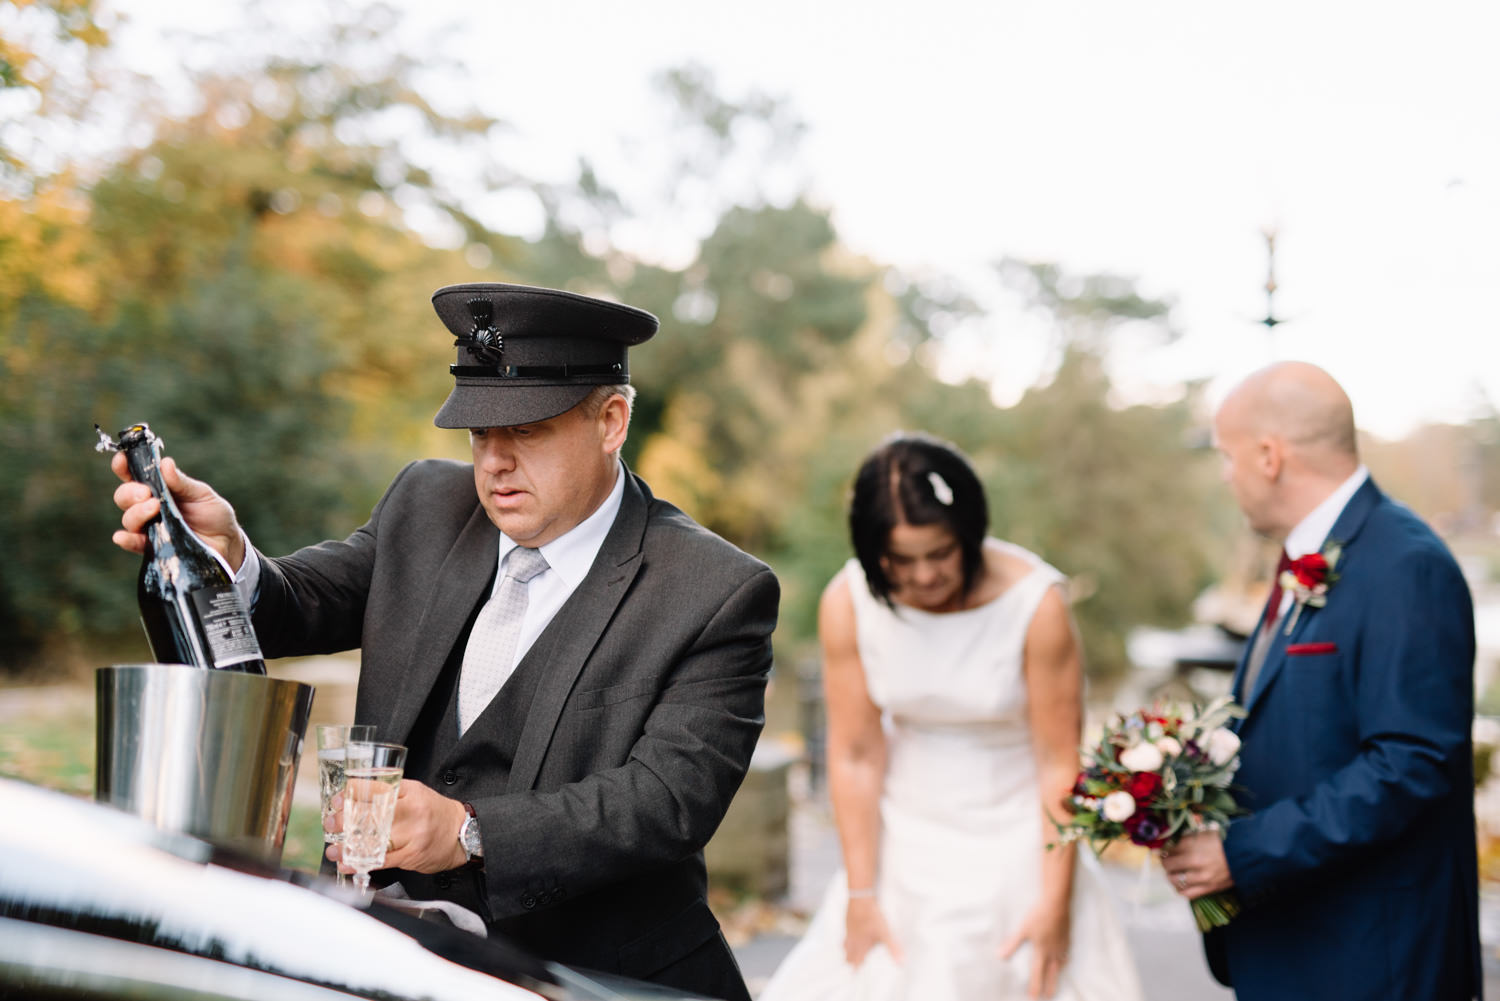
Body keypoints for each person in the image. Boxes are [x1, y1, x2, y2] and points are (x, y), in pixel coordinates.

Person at [111, 282, 780, 1001]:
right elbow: (297, 604)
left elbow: (664, 802)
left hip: (596, 978)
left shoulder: (715, 589)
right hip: (392, 961)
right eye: (479, 431)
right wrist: (227, 554)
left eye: (525, 430)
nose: (493, 462)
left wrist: (468, 829)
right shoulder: (426, 502)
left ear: (611, 420)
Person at [759, 433, 1141, 1001]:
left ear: (969, 533)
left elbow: (1058, 760)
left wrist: (1054, 902)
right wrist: (861, 895)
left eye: (940, 553)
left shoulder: (1037, 606)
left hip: (1020, 839)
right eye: (900, 561)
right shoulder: (848, 601)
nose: (923, 577)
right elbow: (856, 754)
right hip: (904, 840)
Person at [1161, 361, 1480, 1000]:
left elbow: (1409, 764)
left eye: (1228, 457)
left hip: (1370, 956)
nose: (1227, 476)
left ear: (1269, 456)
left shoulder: (1404, 565)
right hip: (1295, 941)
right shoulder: (1310, 559)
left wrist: (1241, 853)